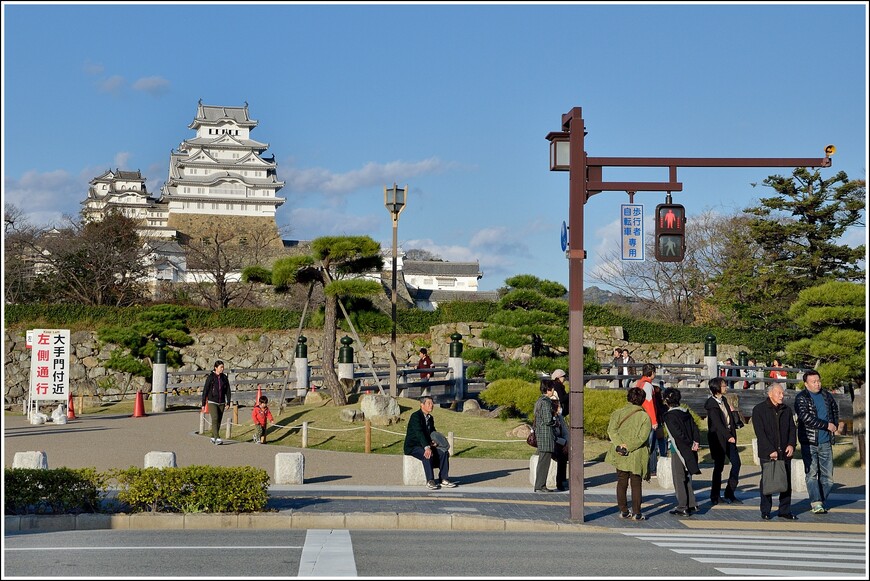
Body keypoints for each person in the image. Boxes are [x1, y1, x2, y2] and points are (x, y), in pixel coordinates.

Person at [794, 370, 840, 514]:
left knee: (828, 478)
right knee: (812, 473)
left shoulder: (826, 395)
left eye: (818, 381)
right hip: (809, 441)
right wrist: (826, 425)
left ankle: (819, 499)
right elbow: (806, 417)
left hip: (826, 441)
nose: (817, 384)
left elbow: (834, 410)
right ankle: (816, 503)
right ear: (806, 384)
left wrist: (834, 424)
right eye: (813, 382)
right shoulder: (801, 398)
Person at [752, 383, 798, 520]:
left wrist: (791, 444)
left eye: (783, 393)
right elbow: (760, 433)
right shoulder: (759, 409)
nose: (782, 396)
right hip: (768, 453)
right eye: (779, 393)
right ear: (770, 393)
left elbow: (792, 429)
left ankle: (785, 509)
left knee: (786, 481)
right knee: (767, 481)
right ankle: (765, 510)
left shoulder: (786, 410)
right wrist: (770, 450)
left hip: (784, 451)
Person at [605, 387, 652, 520]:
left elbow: (611, 431)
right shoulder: (644, 416)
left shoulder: (618, 413)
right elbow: (643, 438)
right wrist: (630, 446)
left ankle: (623, 510)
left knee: (621, 482)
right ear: (642, 400)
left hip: (621, 454)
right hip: (637, 454)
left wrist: (621, 445)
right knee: (636, 484)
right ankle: (637, 512)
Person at [662, 388, 700, 517]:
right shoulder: (686, 412)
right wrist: (695, 442)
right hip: (690, 449)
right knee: (687, 477)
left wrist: (688, 444)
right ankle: (692, 504)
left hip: (678, 450)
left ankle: (682, 506)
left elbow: (677, 434)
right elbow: (695, 428)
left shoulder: (669, 416)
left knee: (679, 478)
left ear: (667, 400)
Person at [704, 377, 742, 506]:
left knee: (736, 463)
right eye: (723, 385)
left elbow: (729, 419)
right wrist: (728, 436)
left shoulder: (724, 400)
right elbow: (718, 424)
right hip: (719, 440)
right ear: (716, 388)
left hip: (730, 437)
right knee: (718, 467)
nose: (725, 387)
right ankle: (715, 495)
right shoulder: (711, 404)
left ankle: (730, 492)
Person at [403, 396, 456, 490]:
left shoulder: (430, 418)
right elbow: (419, 433)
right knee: (428, 454)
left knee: (444, 453)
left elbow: (432, 432)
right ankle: (430, 480)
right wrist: (427, 447)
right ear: (422, 405)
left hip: (426, 444)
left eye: (432, 403)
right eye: (429, 403)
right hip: (413, 446)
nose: (431, 406)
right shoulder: (415, 416)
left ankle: (444, 479)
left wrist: (434, 442)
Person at [636, 363, 662, 479]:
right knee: (651, 445)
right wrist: (654, 420)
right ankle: (652, 469)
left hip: (641, 417)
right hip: (648, 418)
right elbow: (650, 404)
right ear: (652, 372)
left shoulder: (639, 383)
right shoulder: (648, 386)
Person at [533, 380, 558, 492]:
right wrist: (554, 420)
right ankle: (540, 485)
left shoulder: (539, 401)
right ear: (548, 389)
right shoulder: (546, 402)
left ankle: (540, 484)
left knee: (543, 461)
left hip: (541, 433)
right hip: (545, 434)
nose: (553, 390)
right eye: (552, 388)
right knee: (544, 461)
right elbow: (548, 419)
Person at [201, 360, 232, 445]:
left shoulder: (224, 378)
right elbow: (205, 390)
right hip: (212, 401)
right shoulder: (211, 377)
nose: (222, 369)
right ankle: (217, 437)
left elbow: (228, 390)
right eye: (221, 367)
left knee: (218, 420)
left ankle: (212, 436)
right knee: (214, 418)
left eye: (223, 367)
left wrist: (228, 402)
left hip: (221, 402)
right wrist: (203, 403)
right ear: (216, 368)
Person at [550, 394, 569, 491]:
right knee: (561, 456)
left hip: (562, 443)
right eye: (558, 406)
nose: (560, 408)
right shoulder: (551, 419)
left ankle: (564, 479)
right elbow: (553, 435)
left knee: (569, 454)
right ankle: (559, 482)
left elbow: (565, 431)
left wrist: (567, 442)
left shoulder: (560, 417)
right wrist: (564, 442)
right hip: (554, 443)